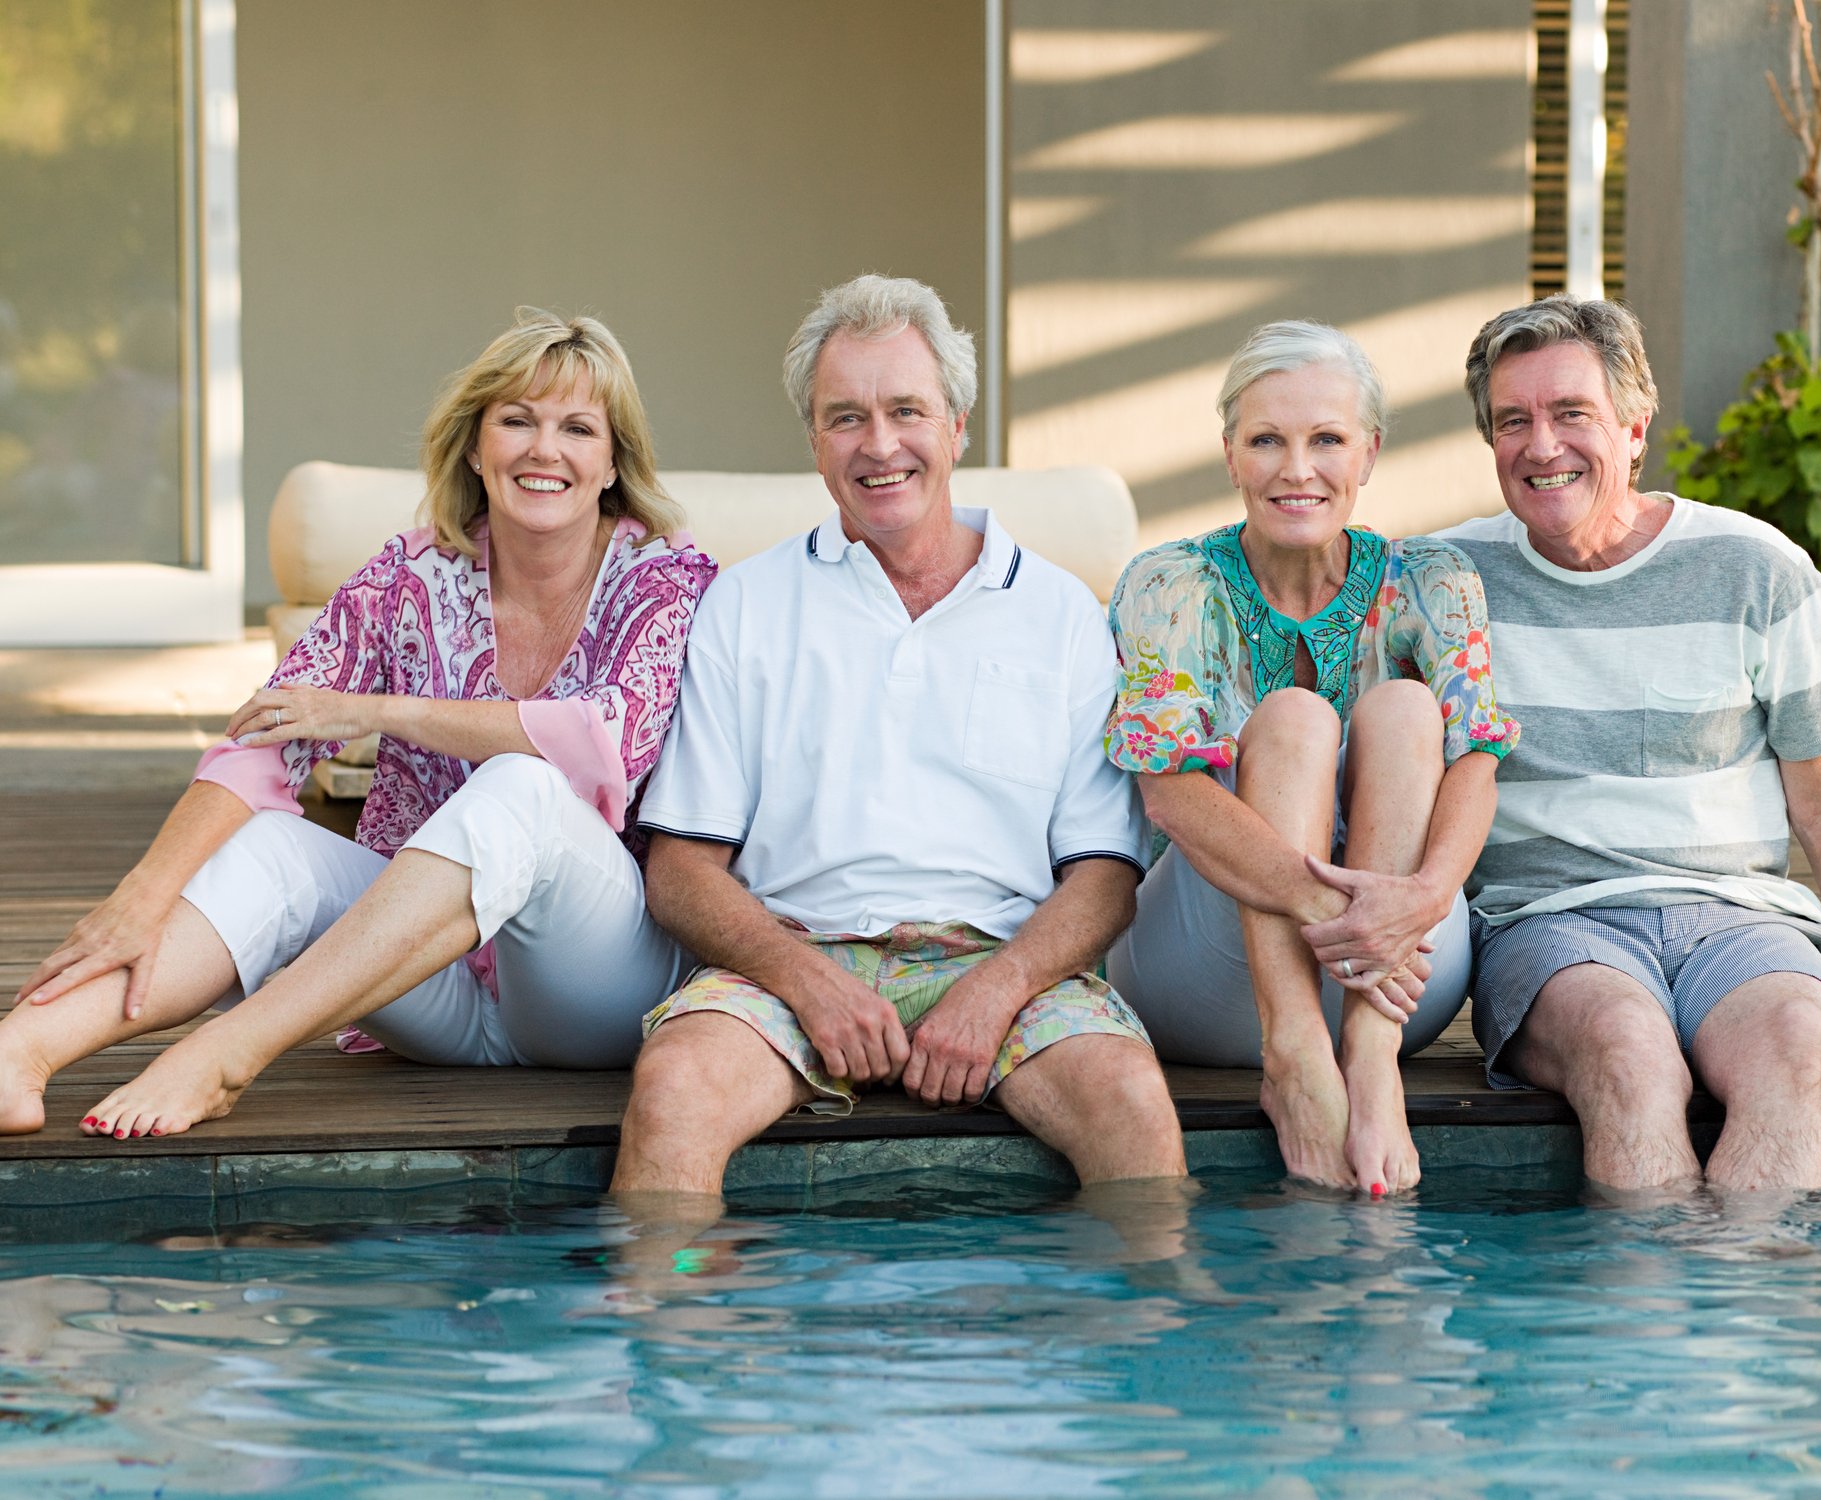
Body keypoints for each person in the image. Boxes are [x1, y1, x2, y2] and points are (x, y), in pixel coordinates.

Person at [1, 309, 715, 1138]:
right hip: (426, 988)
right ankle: (21, 1053)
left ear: (612, 462)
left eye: (577, 428)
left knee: (523, 785)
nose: (542, 449)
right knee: (269, 849)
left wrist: (379, 712)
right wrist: (141, 896)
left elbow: (601, 741)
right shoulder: (411, 574)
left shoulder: (665, 578)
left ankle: (227, 1050)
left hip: (595, 987)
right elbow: (261, 742)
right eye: (515, 420)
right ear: (476, 448)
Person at [610, 274, 1187, 1196]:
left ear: (958, 425)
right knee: (675, 1092)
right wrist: (807, 979)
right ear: (813, 440)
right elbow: (679, 869)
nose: (879, 445)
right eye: (845, 418)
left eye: (906, 410)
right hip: (790, 956)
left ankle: (1120, 1333)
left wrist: (993, 993)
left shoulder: (1062, 614)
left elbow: (1105, 878)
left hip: (1007, 962)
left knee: (1131, 1108)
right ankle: (689, 1327)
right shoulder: (746, 604)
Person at [1441, 293, 1821, 1193]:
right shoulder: (1447, 583)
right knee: (1628, 1058)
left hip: (1740, 922)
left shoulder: (1756, 570)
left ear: (1633, 428)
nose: (1541, 445)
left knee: (1788, 1052)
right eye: (1513, 421)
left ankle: (1744, 1325)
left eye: (1571, 413)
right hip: (1548, 925)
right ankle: (1654, 1328)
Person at [1103, 320, 1521, 1194]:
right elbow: (1169, 797)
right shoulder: (1170, 584)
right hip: (1206, 974)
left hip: (1398, 990)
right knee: (1291, 719)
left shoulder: (1432, 580)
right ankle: (1293, 1054)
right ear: (1229, 454)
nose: (1298, 470)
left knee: (1408, 709)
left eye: (1326, 439)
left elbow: (1478, 759)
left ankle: (1370, 1069)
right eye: (1267, 441)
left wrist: (1417, 903)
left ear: (1368, 452)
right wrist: (1346, 914)